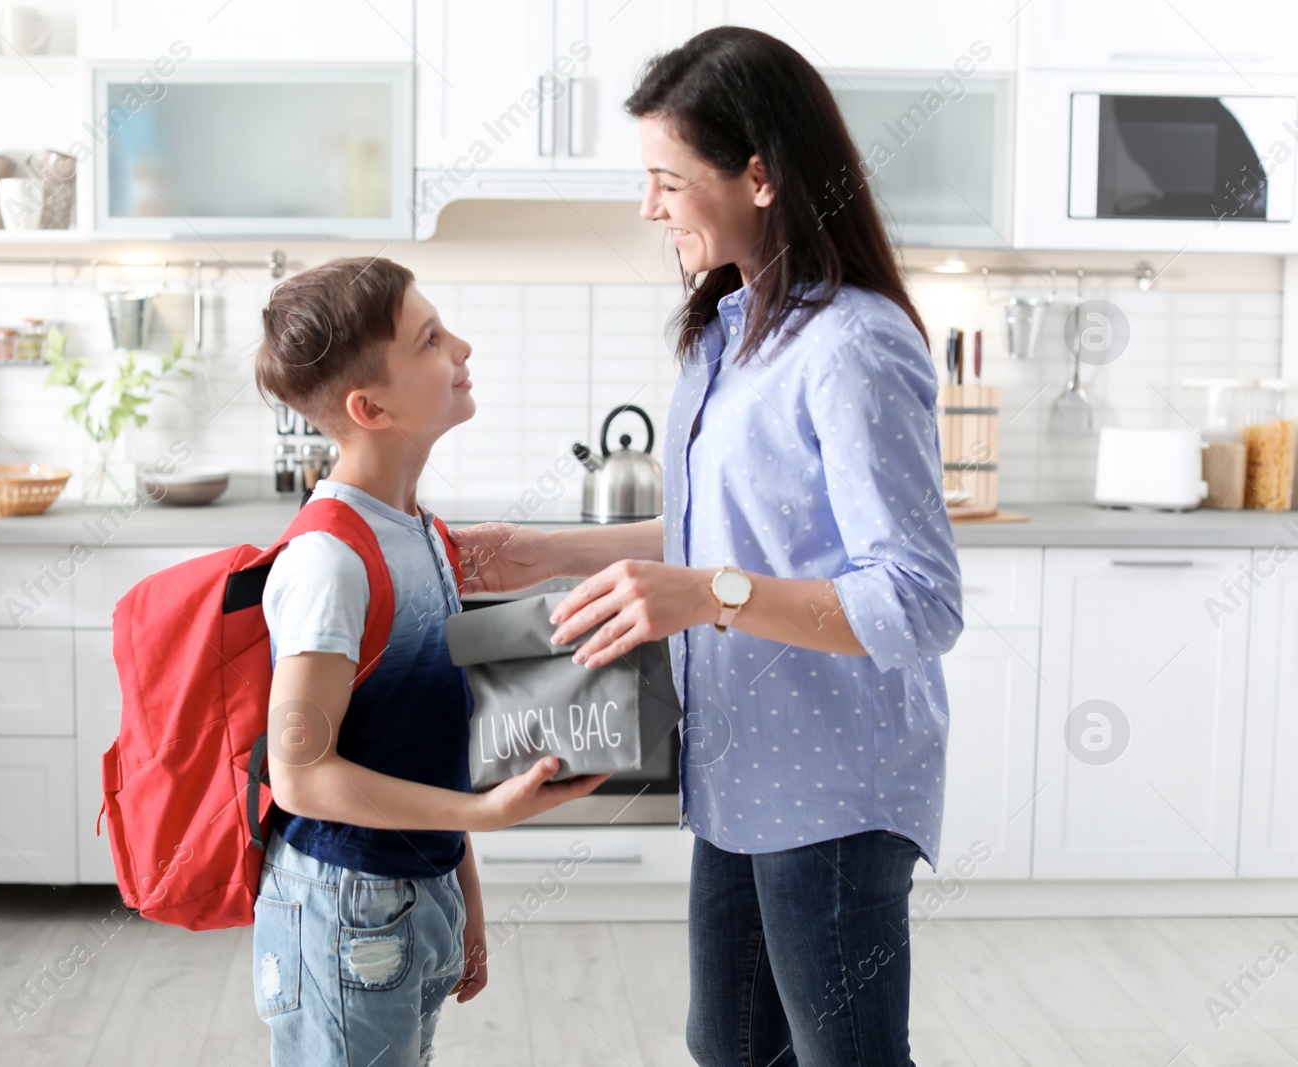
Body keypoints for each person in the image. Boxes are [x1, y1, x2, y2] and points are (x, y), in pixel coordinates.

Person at [450, 27, 963, 1067]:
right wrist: (548, 549)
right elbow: (718, 534)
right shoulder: (731, 327)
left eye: (666, 179)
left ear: (761, 176)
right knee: (727, 1043)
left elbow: (916, 601)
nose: (649, 208)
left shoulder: (854, 346)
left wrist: (707, 594)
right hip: (738, 763)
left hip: (830, 785)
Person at [251, 256, 610, 1067]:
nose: (462, 347)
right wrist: (486, 815)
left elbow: (422, 739)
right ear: (368, 406)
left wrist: (462, 888)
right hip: (346, 909)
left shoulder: (418, 532)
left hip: (413, 898)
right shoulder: (329, 560)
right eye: (430, 340)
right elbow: (302, 775)